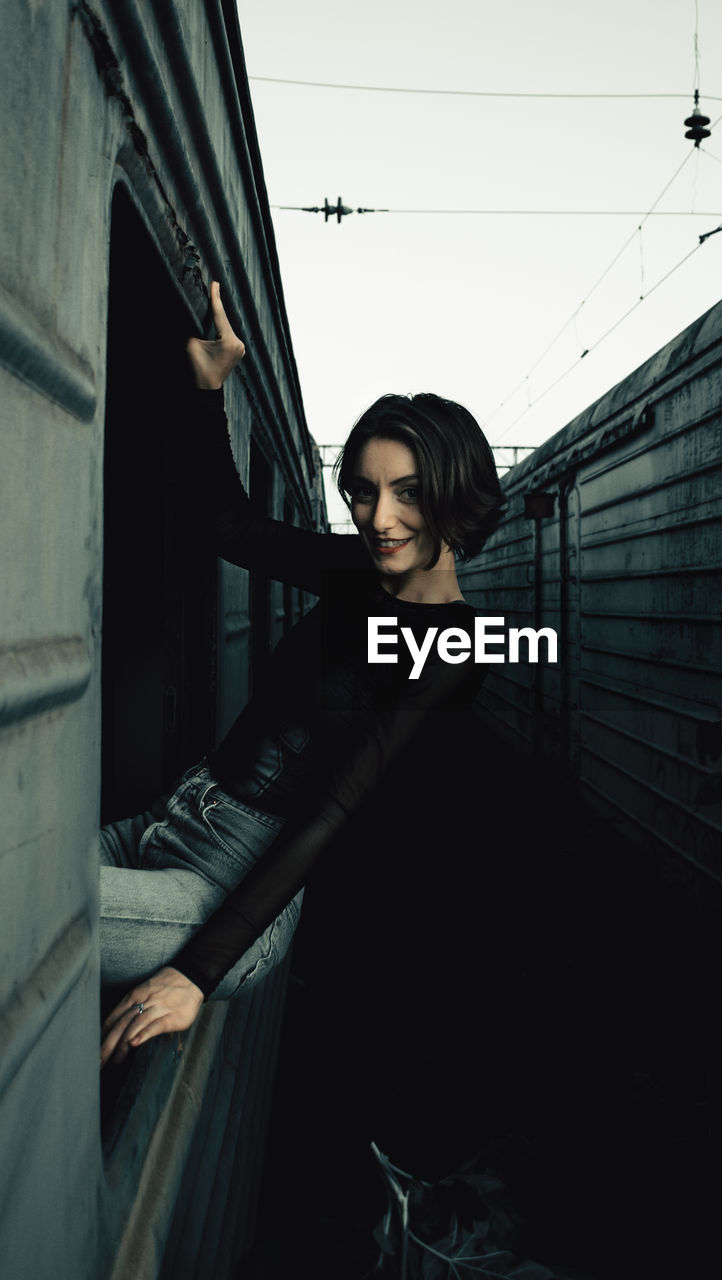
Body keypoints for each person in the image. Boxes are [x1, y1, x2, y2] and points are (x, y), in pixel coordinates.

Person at [99, 281, 504, 1068]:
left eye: (408, 493)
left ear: (455, 494)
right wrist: (210, 387)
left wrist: (195, 970)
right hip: (173, 819)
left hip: (225, 892)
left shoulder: (456, 647)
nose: (377, 517)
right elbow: (231, 526)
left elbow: (334, 806)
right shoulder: (360, 568)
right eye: (362, 491)